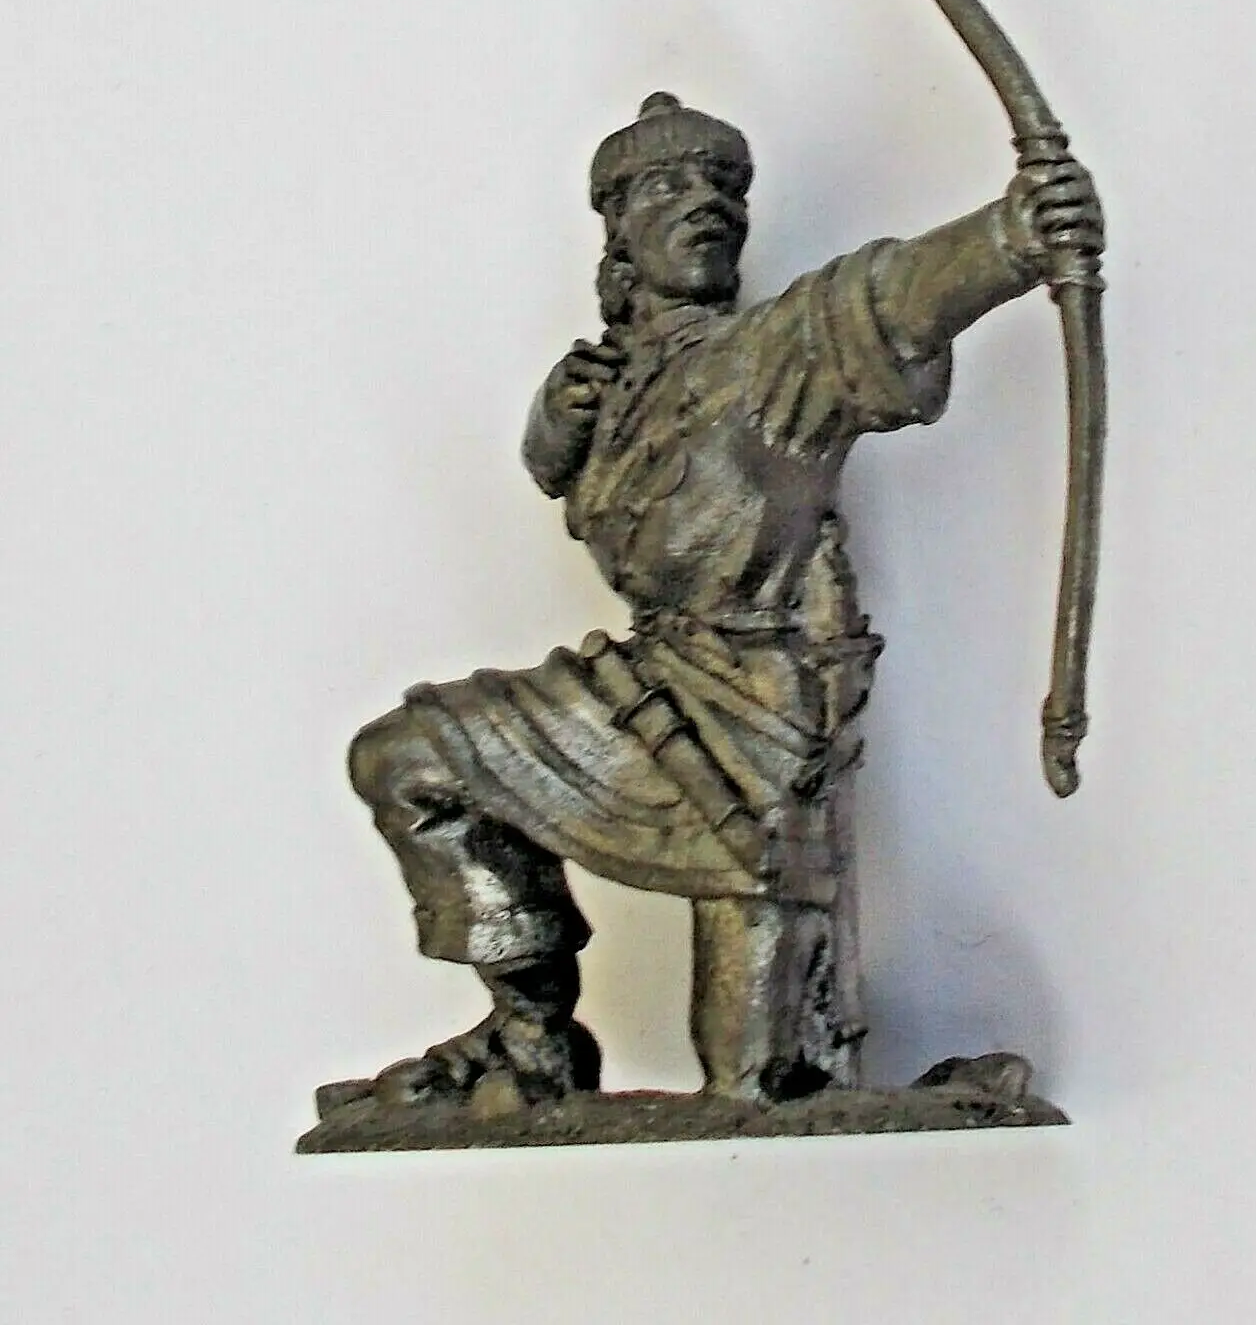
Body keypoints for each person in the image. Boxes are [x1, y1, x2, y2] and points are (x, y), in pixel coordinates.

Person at [345, 92, 1103, 1109]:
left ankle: (814, 1066)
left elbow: (885, 296)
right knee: (408, 757)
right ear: (618, 234)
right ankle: (531, 1038)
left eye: (722, 186)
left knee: (752, 1087)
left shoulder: (773, 354)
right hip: (639, 687)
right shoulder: (611, 379)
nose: (705, 203)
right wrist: (555, 424)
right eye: (667, 186)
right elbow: (561, 473)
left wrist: (1014, 234)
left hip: (761, 729)